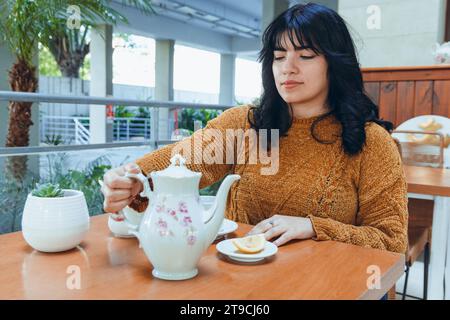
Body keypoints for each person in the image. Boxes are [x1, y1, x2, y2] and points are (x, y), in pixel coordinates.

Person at [101, 3, 408, 254]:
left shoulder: (372, 143)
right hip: (242, 283)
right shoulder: (247, 123)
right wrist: (135, 178)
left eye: (305, 55)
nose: (287, 67)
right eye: (278, 57)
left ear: (335, 63)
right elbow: (184, 158)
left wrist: (314, 227)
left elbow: (391, 241)